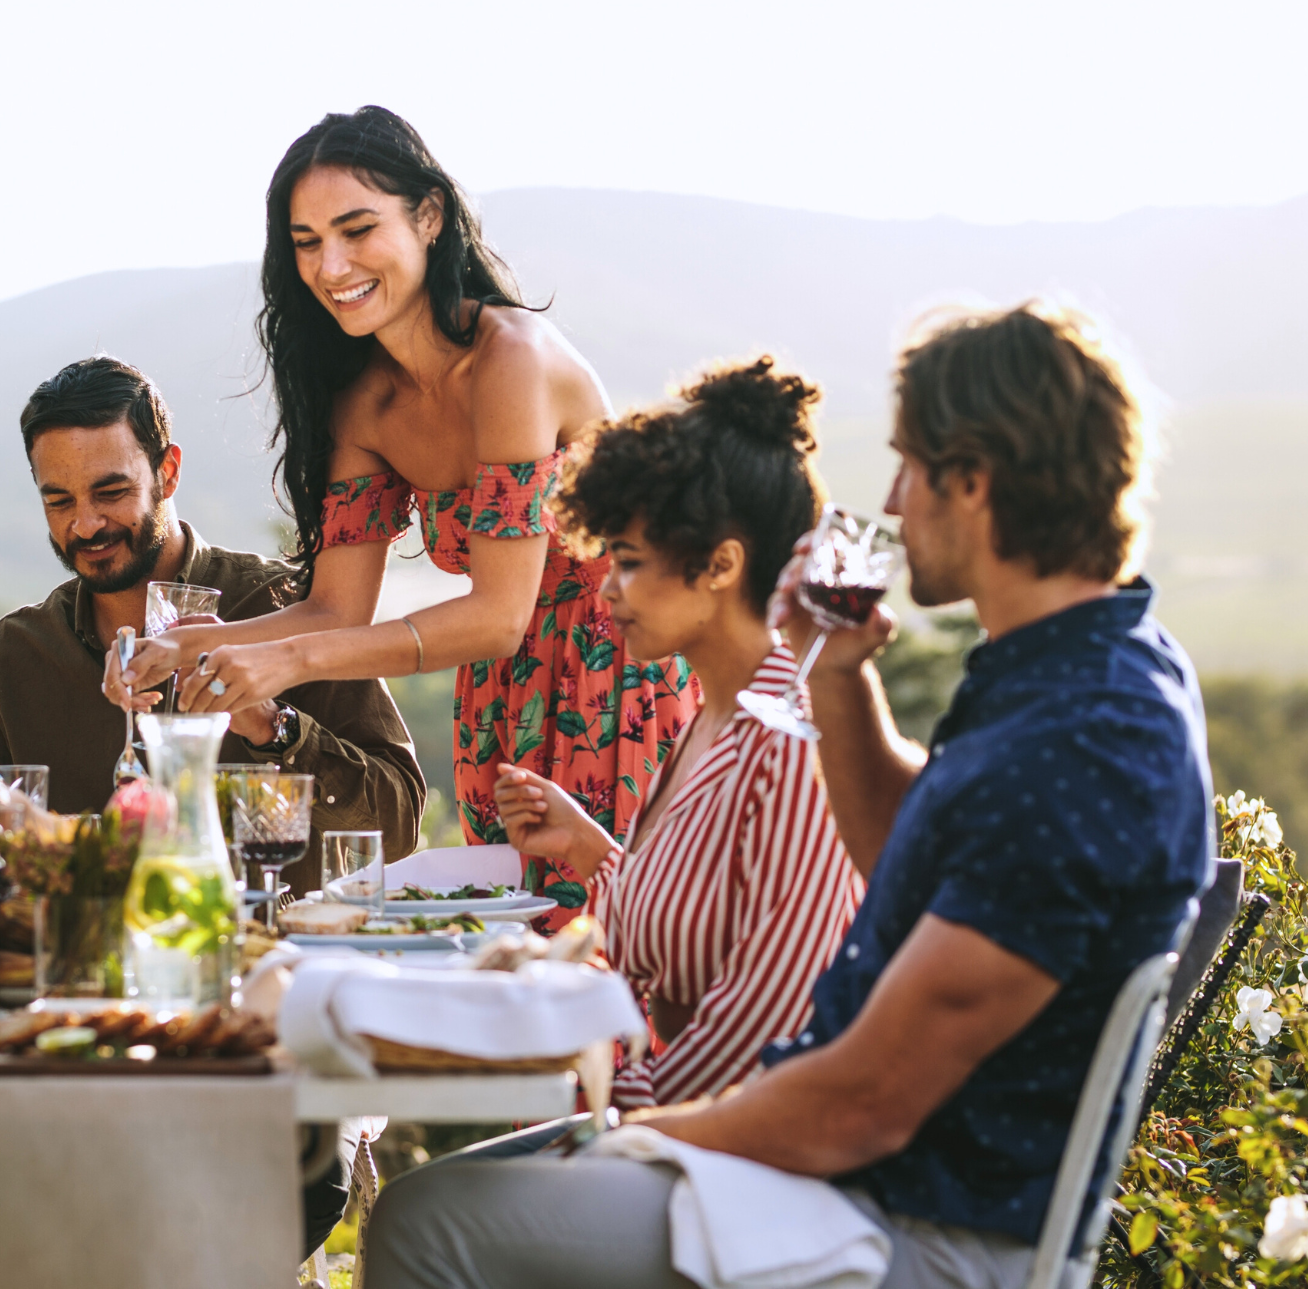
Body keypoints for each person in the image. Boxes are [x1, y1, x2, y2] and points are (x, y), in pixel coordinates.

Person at [364, 304, 1215, 1289]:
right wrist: (844, 676)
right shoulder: (1059, 666)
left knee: (431, 1223)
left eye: (909, 466)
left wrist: (647, 1135)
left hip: (918, 1225)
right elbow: (910, 849)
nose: (890, 503)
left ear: (974, 481)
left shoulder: (1086, 738)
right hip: (861, 1186)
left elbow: (869, 1102)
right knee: (462, 1195)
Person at [114, 107, 695, 921]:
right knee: (508, 941)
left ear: (429, 215)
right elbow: (334, 607)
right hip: (503, 699)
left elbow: (498, 614)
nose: (331, 264)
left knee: (620, 941)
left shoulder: (513, 361)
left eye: (356, 229)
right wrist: (183, 648)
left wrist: (294, 663)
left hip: (622, 675)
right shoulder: (366, 405)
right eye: (307, 241)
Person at [492, 358, 862, 1109]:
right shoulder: (714, 716)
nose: (607, 589)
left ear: (721, 564)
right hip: (678, 1114)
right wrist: (592, 849)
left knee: (428, 1218)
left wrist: (596, 1099)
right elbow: (692, 926)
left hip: (747, 1149)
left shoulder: (792, 742)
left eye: (627, 562)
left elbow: (766, 1028)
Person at [0, 356, 425, 872]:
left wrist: (274, 727)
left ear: (169, 471)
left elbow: (399, 826)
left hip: (281, 948)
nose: (86, 524)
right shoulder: (14, 656)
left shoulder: (292, 607)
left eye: (111, 492)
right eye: (59, 502)